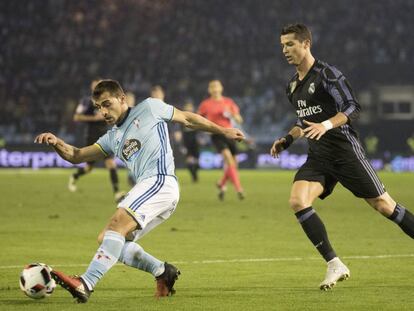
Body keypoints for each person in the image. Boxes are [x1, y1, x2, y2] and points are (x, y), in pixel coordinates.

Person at [34, 79, 244, 303]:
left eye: (107, 104)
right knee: (108, 238)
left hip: (160, 181)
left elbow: (188, 119)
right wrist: (56, 142)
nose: (103, 111)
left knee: (116, 224)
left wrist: (223, 130)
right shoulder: (113, 137)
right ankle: (162, 271)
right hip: (150, 188)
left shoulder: (150, 107)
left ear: (122, 99)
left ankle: (86, 283)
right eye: (99, 107)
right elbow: (77, 156)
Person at [271, 23, 414, 291]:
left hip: (344, 151)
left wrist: (325, 125)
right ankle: (334, 263)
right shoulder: (292, 86)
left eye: (290, 44)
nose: (285, 50)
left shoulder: (327, 74)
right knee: (297, 200)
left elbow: (352, 107)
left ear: (306, 44)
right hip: (318, 156)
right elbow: (303, 121)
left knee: (385, 206)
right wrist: (287, 139)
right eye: (282, 45)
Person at [69, 79, 125, 202]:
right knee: (89, 168)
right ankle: (75, 175)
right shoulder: (86, 101)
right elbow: (76, 116)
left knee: (111, 163)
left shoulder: (107, 101)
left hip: (106, 136)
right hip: (92, 137)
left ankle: (117, 193)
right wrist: (94, 118)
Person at [198, 80, 245, 200]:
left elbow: (239, 120)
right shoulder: (205, 104)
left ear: (221, 88)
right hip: (216, 134)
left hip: (230, 133)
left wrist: (232, 115)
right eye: (212, 87)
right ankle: (239, 189)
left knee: (234, 164)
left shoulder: (228, 102)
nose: (214, 89)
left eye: (216, 86)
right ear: (209, 90)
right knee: (228, 159)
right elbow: (198, 119)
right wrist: (205, 129)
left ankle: (221, 183)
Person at [174, 101, 200, 182]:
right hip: (186, 141)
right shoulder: (181, 117)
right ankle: (193, 175)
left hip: (195, 141)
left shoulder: (196, 117)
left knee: (197, 160)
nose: (189, 109)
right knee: (188, 159)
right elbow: (178, 129)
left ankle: (195, 173)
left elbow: (201, 128)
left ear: (192, 108)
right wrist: (179, 138)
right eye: (187, 107)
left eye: (190, 107)